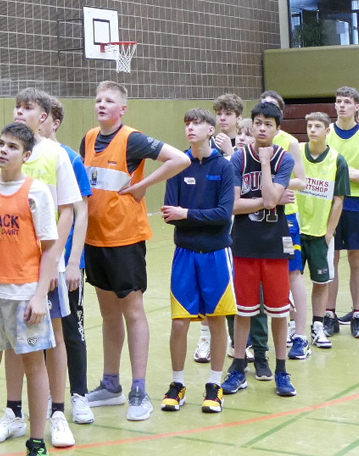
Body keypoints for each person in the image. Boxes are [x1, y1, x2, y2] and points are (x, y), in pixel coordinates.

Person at [80, 81, 192, 421]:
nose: (101, 104)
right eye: (98, 99)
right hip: (94, 240)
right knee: (109, 315)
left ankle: (139, 390)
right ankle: (110, 384)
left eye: (109, 100)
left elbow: (180, 159)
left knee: (133, 312)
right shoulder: (88, 138)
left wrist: (143, 185)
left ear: (122, 109)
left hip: (125, 240)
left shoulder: (132, 139)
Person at [0, 91, 84, 449]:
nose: (19, 111)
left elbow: (68, 211)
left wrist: (55, 262)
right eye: (17, 106)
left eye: (27, 108)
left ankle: (57, 412)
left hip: (44, 265)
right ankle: (14, 412)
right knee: (14, 339)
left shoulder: (57, 155)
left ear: (44, 117)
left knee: (53, 336)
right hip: (7, 268)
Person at [0, 123, 60, 456]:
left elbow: (49, 248)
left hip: (24, 295)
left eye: (13, 146)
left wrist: (40, 295)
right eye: (1, 144)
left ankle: (37, 442)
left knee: (34, 367)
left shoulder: (37, 192)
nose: (4, 150)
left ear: (26, 155)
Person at [159, 108, 237, 415]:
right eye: (187, 123)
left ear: (210, 130)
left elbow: (224, 214)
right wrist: (189, 216)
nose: (190, 128)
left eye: (197, 123)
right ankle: (177, 384)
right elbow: (169, 213)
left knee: (216, 319)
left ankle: (215, 385)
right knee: (179, 322)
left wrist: (188, 214)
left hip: (217, 253)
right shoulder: (177, 165)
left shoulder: (225, 167)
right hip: (185, 254)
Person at [221, 102, 298, 397]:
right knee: (244, 311)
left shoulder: (284, 159)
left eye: (268, 124)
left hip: (276, 244)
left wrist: (265, 165)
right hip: (244, 243)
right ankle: (238, 368)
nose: (262, 128)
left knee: (279, 312)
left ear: (278, 129)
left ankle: (282, 370)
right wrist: (271, 200)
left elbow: (269, 198)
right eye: (258, 123)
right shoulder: (238, 159)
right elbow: (235, 205)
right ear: (251, 125)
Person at [47, 102, 96, 425]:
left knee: (71, 331)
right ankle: (45, 399)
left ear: (54, 122)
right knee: (39, 336)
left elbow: (81, 212)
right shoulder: (25, 158)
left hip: (65, 263)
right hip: (33, 266)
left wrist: (75, 260)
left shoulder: (70, 158)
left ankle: (79, 395)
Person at [259, 90, 311, 362]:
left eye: (272, 109)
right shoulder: (251, 141)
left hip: (285, 217)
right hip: (256, 215)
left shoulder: (289, 143)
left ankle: (300, 334)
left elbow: (301, 180)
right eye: (262, 108)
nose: (265, 115)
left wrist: (275, 185)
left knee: (293, 273)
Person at [325, 87, 359, 340]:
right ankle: (329, 314)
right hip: (328, 203)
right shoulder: (326, 132)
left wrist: (337, 171)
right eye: (338, 101)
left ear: (357, 106)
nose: (342, 105)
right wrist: (351, 173)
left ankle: (358, 314)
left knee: (358, 260)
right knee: (331, 259)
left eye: (347, 102)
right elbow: (320, 169)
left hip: (356, 203)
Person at [294, 111, 348, 350]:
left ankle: (318, 326)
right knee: (290, 281)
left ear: (327, 131)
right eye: (309, 126)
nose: (312, 130)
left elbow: (339, 200)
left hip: (319, 233)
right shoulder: (295, 153)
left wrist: (328, 233)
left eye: (317, 126)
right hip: (294, 231)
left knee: (321, 281)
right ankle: (293, 327)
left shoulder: (337, 160)